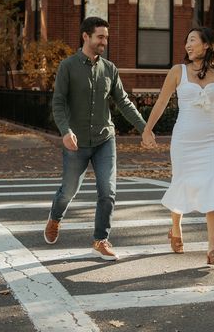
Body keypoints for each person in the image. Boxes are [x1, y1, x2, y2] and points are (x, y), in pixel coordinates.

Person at [44, 16, 151, 261]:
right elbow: (58, 103)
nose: (104, 41)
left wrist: (144, 128)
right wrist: (65, 130)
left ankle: (101, 239)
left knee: (108, 192)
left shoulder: (110, 69)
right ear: (86, 36)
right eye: (100, 36)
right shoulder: (67, 67)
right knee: (67, 192)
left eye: (106, 37)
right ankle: (55, 217)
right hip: (76, 142)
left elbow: (123, 101)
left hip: (105, 140)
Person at [141, 27, 214, 265]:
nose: (188, 45)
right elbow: (162, 101)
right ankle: (176, 229)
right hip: (184, 140)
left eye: (193, 40)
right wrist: (148, 129)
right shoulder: (178, 72)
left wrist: (211, 128)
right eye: (186, 41)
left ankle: (212, 249)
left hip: (211, 140)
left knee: (213, 184)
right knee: (182, 182)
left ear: (207, 45)